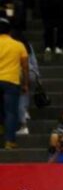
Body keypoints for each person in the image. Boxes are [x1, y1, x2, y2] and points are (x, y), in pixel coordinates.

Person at [0, 18, 28, 150]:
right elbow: (25, 67)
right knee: (11, 112)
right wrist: (25, 84)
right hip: (11, 81)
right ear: (9, 31)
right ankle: (9, 141)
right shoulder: (18, 45)